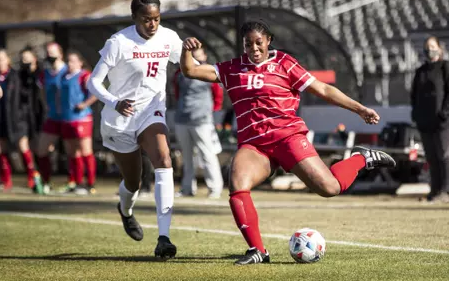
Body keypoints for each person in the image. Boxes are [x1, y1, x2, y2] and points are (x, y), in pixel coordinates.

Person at [180, 21, 397, 265]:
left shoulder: (284, 63)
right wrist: (186, 50)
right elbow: (190, 71)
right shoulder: (231, 69)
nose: (254, 48)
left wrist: (359, 109)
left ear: (268, 40)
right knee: (237, 182)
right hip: (255, 146)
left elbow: (323, 89)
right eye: (248, 44)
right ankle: (258, 251)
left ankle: (362, 158)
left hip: (288, 137)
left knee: (330, 189)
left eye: (258, 42)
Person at [87, 0, 184, 258]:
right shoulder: (119, 42)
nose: (152, 24)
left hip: (151, 111)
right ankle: (126, 210)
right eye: (146, 19)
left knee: (164, 159)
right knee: (133, 181)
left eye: (156, 18)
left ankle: (164, 238)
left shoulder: (168, 37)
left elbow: (188, 64)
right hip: (119, 119)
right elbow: (93, 82)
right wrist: (113, 100)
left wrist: (195, 55)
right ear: (134, 18)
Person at [173, 48, 224, 198]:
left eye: (199, 55)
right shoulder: (179, 73)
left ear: (204, 56)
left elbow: (218, 96)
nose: (196, 57)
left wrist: (210, 112)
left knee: (208, 155)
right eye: (193, 55)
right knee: (187, 157)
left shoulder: (210, 71)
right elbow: (177, 93)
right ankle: (187, 188)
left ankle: (215, 188)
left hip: (202, 120)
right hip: (182, 119)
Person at [411, 36, 449, 203]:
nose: (429, 50)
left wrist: (445, 112)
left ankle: (445, 191)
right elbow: (414, 95)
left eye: (432, 46)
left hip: (442, 121)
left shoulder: (445, 67)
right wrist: (416, 113)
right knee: (431, 157)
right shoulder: (421, 71)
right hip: (425, 121)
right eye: (427, 47)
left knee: (444, 156)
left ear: (439, 48)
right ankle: (434, 190)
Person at [58, 50, 97, 194]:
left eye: (73, 61)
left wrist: (84, 104)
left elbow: (96, 93)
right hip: (67, 118)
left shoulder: (85, 75)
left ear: (80, 62)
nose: (70, 63)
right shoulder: (64, 76)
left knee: (86, 150)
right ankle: (76, 182)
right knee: (72, 152)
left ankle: (91, 184)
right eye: (68, 61)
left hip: (82, 118)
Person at [36, 42, 69, 194]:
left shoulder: (68, 71)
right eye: (48, 52)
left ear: (60, 53)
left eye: (53, 52)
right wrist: (46, 106)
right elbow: (42, 91)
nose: (50, 55)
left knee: (73, 152)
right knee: (41, 149)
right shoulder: (45, 73)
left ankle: (77, 182)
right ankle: (46, 181)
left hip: (69, 117)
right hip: (53, 117)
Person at [0, 49, 25, 191]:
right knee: (1, 149)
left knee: (23, 147)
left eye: (2, 58)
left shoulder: (15, 75)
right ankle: (6, 180)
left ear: (7, 59)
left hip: (16, 119)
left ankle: (34, 178)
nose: (0, 62)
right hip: (1, 118)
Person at [19, 46, 44, 189]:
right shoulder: (19, 75)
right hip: (23, 115)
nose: (25, 61)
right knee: (23, 145)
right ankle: (32, 175)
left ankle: (41, 176)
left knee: (39, 147)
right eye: (23, 59)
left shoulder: (41, 74)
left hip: (40, 114)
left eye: (28, 58)